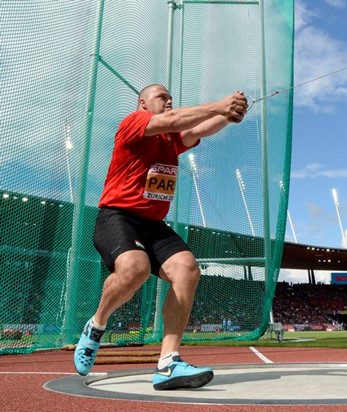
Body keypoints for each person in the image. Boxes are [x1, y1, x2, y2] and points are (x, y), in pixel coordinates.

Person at [73, 84, 248, 390]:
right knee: (135, 268)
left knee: (187, 270)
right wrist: (221, 105)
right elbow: (175, 120)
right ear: (143, 104)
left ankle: (168, 363)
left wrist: (229, 116)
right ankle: (96, 324)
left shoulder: (171, 140)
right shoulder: (134, 123)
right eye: (162, 97)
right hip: (118, 215)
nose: (169, 101)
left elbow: (198, 130)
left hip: (153, 224)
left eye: (171, 98)